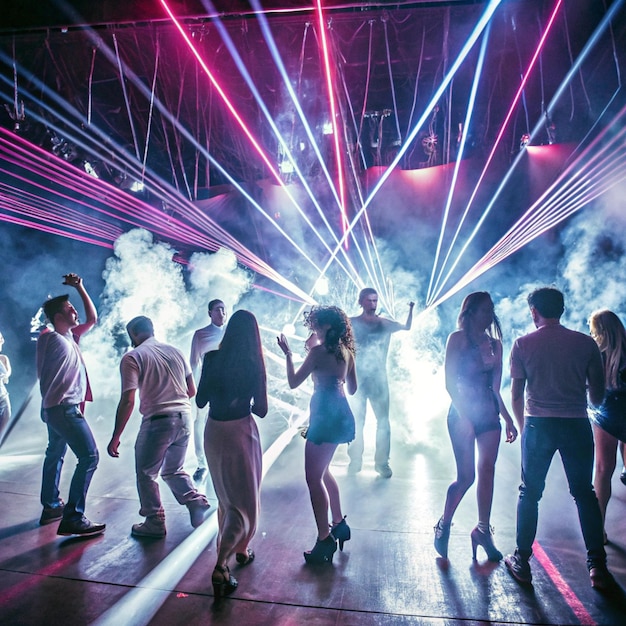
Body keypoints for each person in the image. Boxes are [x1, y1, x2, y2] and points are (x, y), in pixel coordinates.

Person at [505, 287, 613, 590]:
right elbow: (597, 394)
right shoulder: (585, 343)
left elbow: (515, 394)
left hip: (539, 423)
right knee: (584, 493)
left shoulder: (522, 344)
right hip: (576, 423)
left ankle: (522, 561)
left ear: (533, 312)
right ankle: (597, 568)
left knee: (530, 492)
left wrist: (524, 426)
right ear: (562, 310)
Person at [107, 316, 210, 538]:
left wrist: (116, 435)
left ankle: (154, 521)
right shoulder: (176, 352)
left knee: (146, 473)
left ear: (133, 334)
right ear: (152, 330)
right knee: (173, 470)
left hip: (158, 421)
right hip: (183, 418)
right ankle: (194, 500)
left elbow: (128, 400)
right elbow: (191, 390)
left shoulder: (133, 357)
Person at [434, 292, 517, 561]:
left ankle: (483, 530)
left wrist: (507, 417)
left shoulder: (496, 345)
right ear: (470, 312)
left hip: (488, 412)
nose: (489, 315)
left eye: (491, 310)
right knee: (466, 476)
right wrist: (464, 414)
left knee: (488, 470)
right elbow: (447, 383)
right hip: (462, 411)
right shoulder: (456, 339)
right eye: (484, 310)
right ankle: (444, 525)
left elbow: (495, 387)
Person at [196, 310, 267, 600]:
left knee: (225, 498)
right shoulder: (253, 364)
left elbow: (200, 400)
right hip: (240, 432)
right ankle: (222, 564)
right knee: (244, 504)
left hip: (214, 432)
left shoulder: (212, 358)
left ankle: (240, 549)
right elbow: (261, 410)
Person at [277, 306, 357, 564]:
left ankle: (324, 539)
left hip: (324, 414)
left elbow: (293, 382)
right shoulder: (347, 352)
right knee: (323, 473)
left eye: (315, 326)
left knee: (313, 479)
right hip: (341, 412)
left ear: (326, 328)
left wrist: (289, 354)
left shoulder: (317, 352)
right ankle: (338, 523)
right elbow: (353, 388)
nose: (313, 330)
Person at [37, 273, 105, 537]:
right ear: (57, 318)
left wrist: (80, 287)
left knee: (55, 453)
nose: (75, 311)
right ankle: (73, 517)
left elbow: (92, 319)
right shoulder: (50, 337)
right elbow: (48, 326)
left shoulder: (70, 337)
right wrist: (49, 305)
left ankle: (52, 506)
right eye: (69, 309)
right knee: (89, 457)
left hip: (57, 410)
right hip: (64, 409)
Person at [348, 288, 414, 478]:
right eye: (369, 301)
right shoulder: (351, 324)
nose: (373, 304)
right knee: (357, 421)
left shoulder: (384, 323)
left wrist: (410, 310)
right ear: (361, 302)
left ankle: (382, 463)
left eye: (375, 300)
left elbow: (406, 327)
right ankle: (355, 461)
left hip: (378, 379)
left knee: (383, 421)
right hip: (357, 378)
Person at [587, 309, 626, 543]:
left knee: (602, 470)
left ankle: (598, 529)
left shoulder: (596, 353)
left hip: (607, 412)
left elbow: (589, 388)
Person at [189, 299, 227, 483]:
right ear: (210, 313)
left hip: (227, 385)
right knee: (200, 421)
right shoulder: (200, 334)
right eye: (218, 310)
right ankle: (202, 463)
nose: (221, 313)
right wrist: (193, 386)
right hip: (206, 384)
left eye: (223, 310)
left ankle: (222, 459)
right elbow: (193, 362)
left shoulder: (231, 333)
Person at [0, 330, 11, 441]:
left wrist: (4, 376)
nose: (2, 341)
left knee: (6, 417)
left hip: (2, 395)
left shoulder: (3, 358)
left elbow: (8, 373)